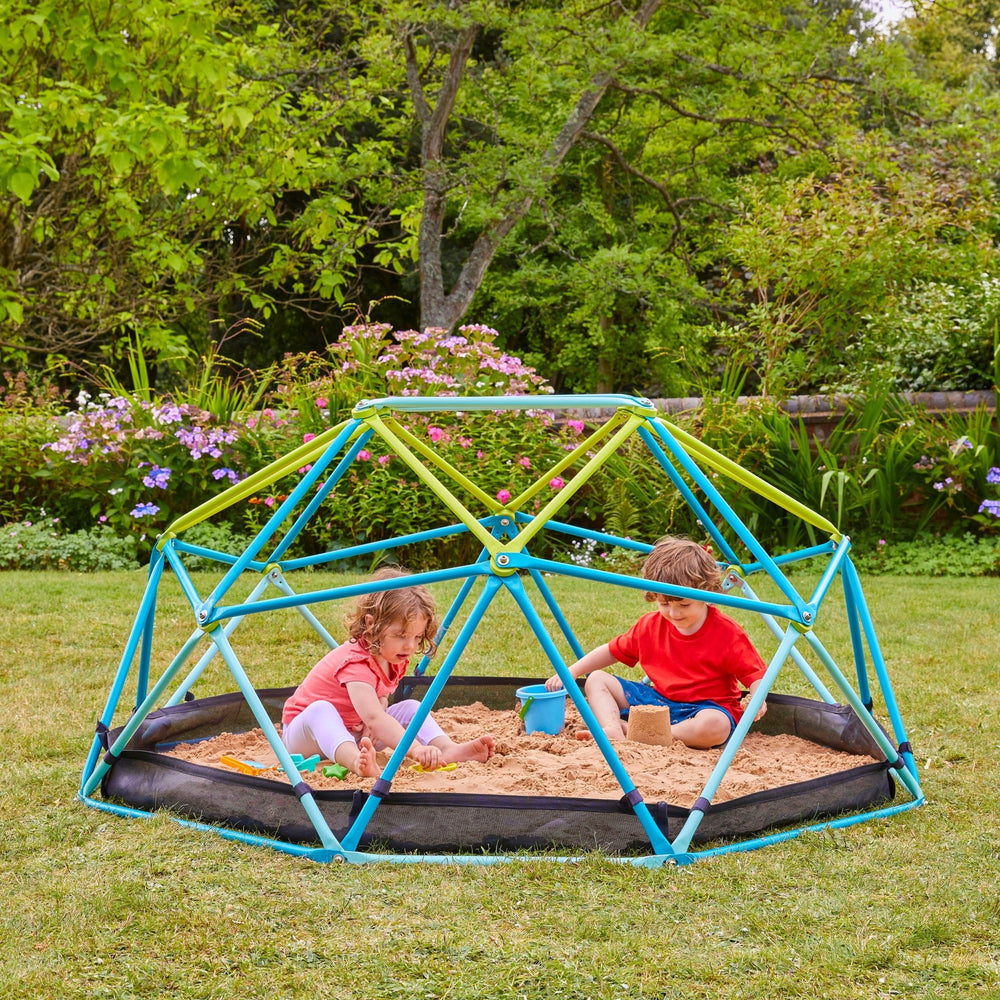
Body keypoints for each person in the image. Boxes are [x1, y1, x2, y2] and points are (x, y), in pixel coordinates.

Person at [545, 536, 768, 749]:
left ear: (707, 594)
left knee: (716, 726)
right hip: (656, 702)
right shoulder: (649, 626)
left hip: (704, 708)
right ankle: (613, 728)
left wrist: (758, 699)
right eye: (664, 604)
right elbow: (612, 651)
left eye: (684, 605)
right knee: (596, 679)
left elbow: (756, 675)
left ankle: (645, 733)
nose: (673, 613)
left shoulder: (726, 632)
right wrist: (572, 671)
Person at [282, 568, 495, 776]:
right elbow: (375, 717)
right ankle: (356, 762)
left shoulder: (393, 656)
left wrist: (379, 709)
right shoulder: (356, 663)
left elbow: (380, 698)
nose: (410, 646)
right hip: (307, 736)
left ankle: (446, 748)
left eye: (417, 637)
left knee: (411, 707)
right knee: (321, 710)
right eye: (401, 635)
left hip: (357, 733)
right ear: (372, 624)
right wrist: (414, 749)